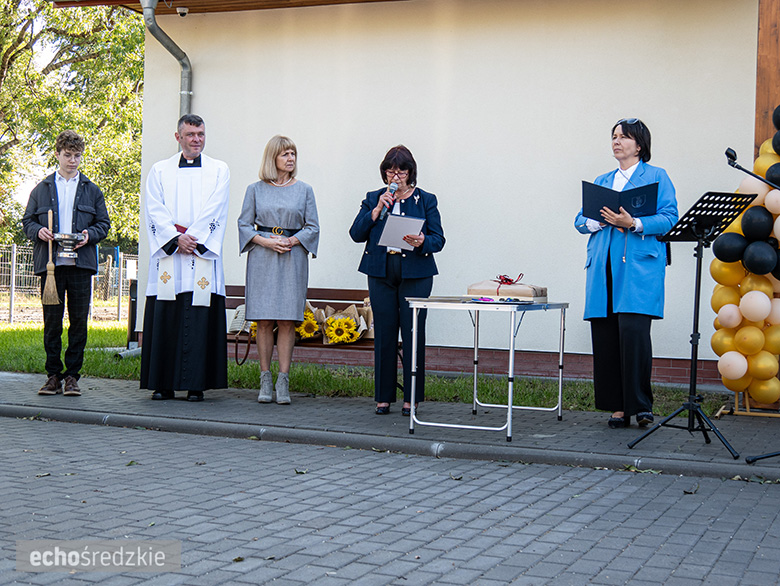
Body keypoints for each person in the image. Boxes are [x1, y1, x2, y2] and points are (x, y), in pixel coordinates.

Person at [574, 118, 679, 429]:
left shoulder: (657, 177)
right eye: (614, 137)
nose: (617, 142)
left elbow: (670, 218)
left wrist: (632, 223)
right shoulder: (603, 180)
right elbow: (581, 220)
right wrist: (599, 221)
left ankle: (641, 406)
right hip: (603, 267)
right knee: (605, 336)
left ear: (639, 145)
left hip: (637, 269)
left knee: (634, 335)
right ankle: (617, 407)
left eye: (624, 137)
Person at [140, 114, 231, 402]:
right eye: (191, 134)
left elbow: (218, 208)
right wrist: (174, 239)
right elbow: (153, 209)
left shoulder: (219, 170)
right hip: (170, 256)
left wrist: (194, 239)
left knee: (200, 313)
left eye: (201, 134)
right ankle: (162, 384)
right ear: (178, 136)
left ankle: (196, 384)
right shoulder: (159, 170)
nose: (196, 139)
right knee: (167, 314)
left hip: (201, 254)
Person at [349, 145, 445, 416]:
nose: (396, 176)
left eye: (401, 170)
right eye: (391, 170)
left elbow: (439, 239)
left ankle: (411, 398)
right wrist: (377, 208)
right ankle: (383, 397)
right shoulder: (372, 198)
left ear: (410, 172)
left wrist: (423, 240)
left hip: (416, 273)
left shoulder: (426, 200)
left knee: (413, 334)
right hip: (381, 272)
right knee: (385, 334)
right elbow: (356, 233)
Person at [22, 130, 111, 397]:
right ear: (58, 154)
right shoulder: (42, 188)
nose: (73, 160)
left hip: (81, 265)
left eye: (77, 156)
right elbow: (27, 222)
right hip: (51, 267)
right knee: (52, 322)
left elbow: (103, 224)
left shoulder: (92, 190)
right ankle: (53, 376)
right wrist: (39, 231)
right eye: (68, 155)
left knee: (79, 322)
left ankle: (72, 376)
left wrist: (89, 235)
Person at [238, 135, 319, 405]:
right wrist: (265, 241)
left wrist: (293, 240)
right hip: (262, 256)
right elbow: (244, 225)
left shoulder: (305, 190)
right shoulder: (255, 189)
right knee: (263, 319)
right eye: (285, 154)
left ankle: (283, 380)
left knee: (287, 319)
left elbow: (312, 227)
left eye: (293, 153)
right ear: (273, 157)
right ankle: (264, 378)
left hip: (292, 257)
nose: (291, 158)